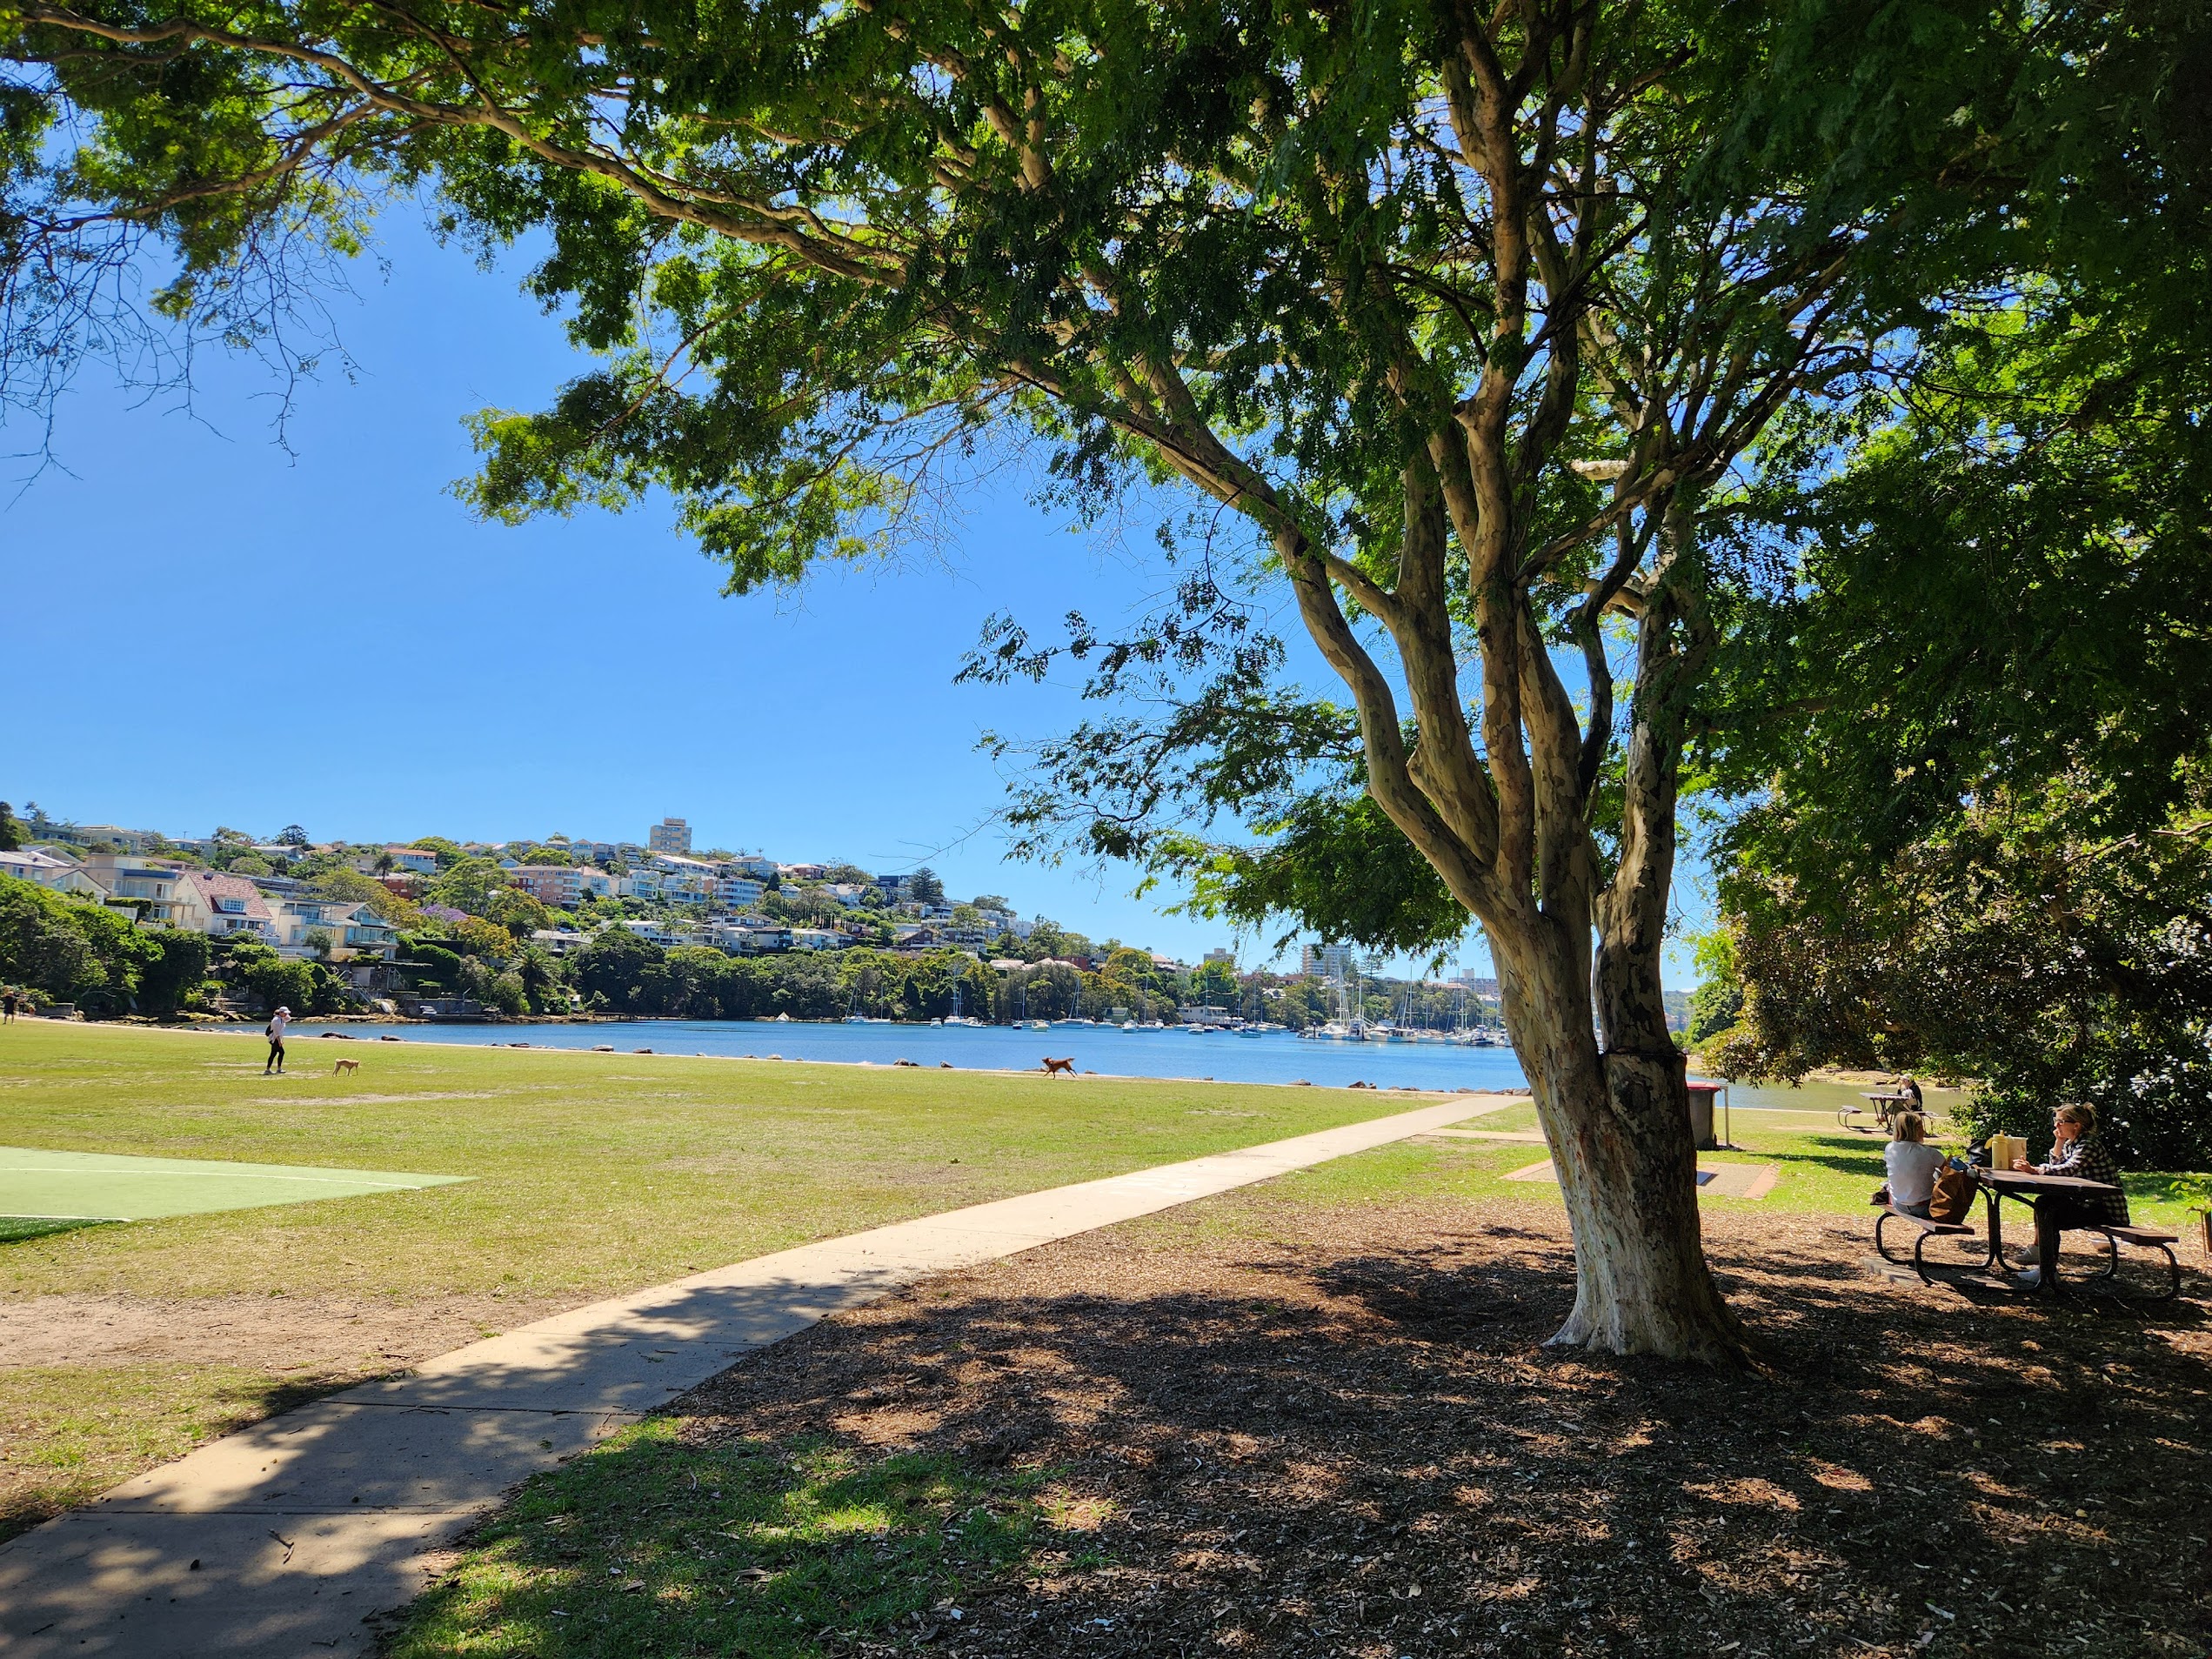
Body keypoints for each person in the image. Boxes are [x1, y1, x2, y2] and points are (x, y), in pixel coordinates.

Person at [2011, 1102, 2129, 1226]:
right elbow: (2057, 1166)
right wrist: (2059, 1141)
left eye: (2061, 1121)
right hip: (2086, 1203)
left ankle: (2041, 1245)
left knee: (2051, 1213)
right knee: (2045, 1202)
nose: (2056, 1125)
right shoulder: (2071, 1144)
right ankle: (2039, 1245)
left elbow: (2070, 1169)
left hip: (2106, 1210)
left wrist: (2035, 1170)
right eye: (2055, 1120)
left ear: (2076, 1125)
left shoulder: (2089, 1144)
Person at [1883, 1111, 1946, 1218]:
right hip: (1924, 1208)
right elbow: (1950, 1171)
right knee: (1939, 1173)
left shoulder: (1890, 1148)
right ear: (1917, 1130)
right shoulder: (1929, 1153)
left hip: (1898, 1204)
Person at [264, 1006, 290, 1075]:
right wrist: (279, 1041)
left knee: (273, 1054)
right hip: (274, 1039)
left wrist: (285, 1014)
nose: (286, 1014)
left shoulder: (281, 1019)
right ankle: (278, 1069)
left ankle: (268, 1069)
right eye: (285, 1013)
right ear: (280, 1013)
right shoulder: (276, 1020)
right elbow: (276, 1032)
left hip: (276, 1038)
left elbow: (288, 1019)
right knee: (281, 1052)